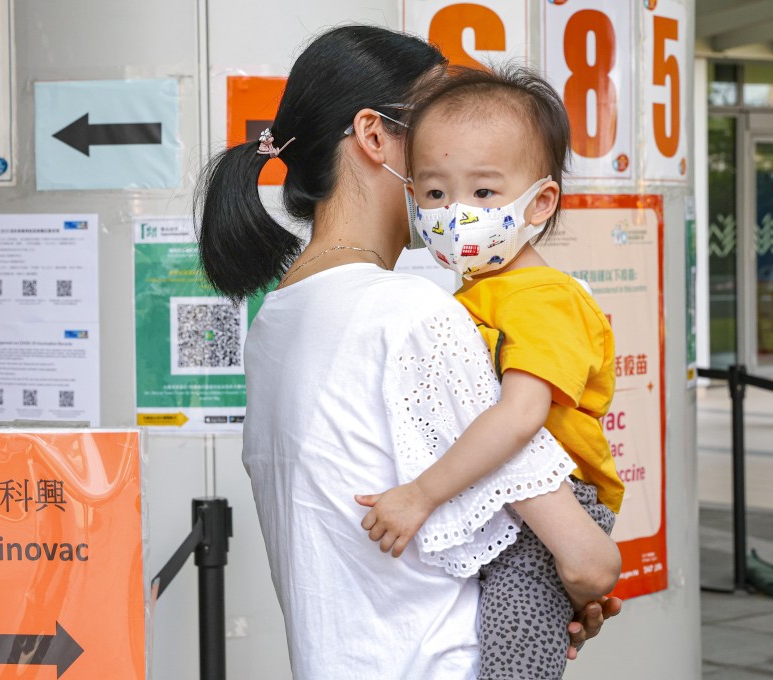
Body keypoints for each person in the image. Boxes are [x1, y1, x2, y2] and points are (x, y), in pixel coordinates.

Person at [196, 25, 620, 680]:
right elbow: (589, 561)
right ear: (374, 137)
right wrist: (575, 589)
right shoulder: (412, 316)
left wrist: (536, 600)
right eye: (438, 123)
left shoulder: (275, 323)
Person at [354, 64, 622, 679]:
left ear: (541, 201)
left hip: (554, 509)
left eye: (483, 192)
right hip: (504, 498)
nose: (454, 214)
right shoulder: (474, 295)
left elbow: (522, 415)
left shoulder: (543, 298)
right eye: (435, 193)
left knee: (512, 661)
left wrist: (420, 495)